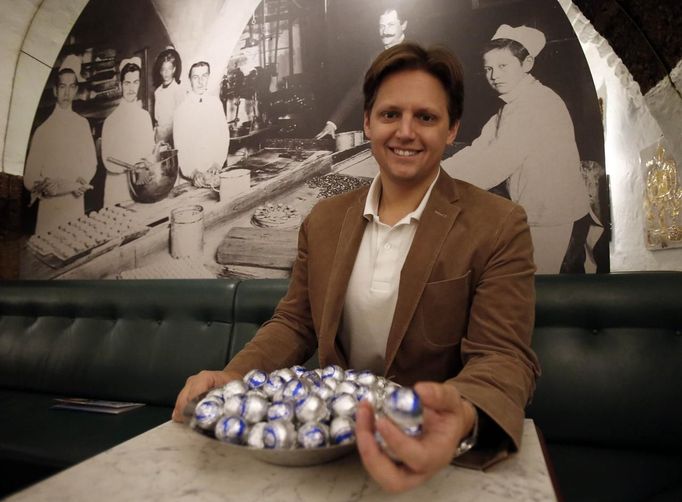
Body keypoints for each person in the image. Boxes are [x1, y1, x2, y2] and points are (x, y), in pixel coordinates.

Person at [174, 42, 539, 492]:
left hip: (435, 460)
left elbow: (503, 356)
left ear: (451, 129)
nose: (405, 131)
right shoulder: (324, 219)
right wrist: (233, 376)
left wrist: (463, 413)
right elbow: (295, 322)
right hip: (330, 450)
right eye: (390, 115)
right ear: (367, 123)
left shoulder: (499, 224)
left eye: (426, 117)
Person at [442, 24, 591, 274]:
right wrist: (434, 172)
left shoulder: (536, 104)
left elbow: (495, 164)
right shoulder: (511, 105)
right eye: (488, 68)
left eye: (503, 66)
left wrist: (435, 181)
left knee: (535, 294)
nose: (494, 76)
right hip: (537, 212)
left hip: (553, 217)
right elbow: (479, 150)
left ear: (528, 64)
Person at [23, 55, 97, 234]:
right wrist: (43, 185)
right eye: (62, 87)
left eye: (72, 87)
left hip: (75, 202)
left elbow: (91, 162)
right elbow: (29, 178)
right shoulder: (43, 130)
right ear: (55, 90)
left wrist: (83, 179)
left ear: (76, 90)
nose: (66, 93)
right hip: (50, 208)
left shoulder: (82, 124)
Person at [315, 6, 409, 139]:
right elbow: (358, 90)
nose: (385, 31)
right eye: (381, 26)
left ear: (403, 25)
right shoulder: (375, 57)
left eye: (391, 25)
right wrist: (332, 123)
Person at [101, 57, 155, 207]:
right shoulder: (111, 121)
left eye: (135, 82)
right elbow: (108, 161)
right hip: (117, 189)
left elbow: (149, 152)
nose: (131, 88)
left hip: (140, 187)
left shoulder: (145, 117)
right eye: (127, 83)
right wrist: (134, 166)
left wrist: (146, 163)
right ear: (120, 85)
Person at [173, 61, 229, 182]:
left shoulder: (216, 104)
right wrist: (193, 172)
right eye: (195, 77)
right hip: (191, 177)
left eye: (204, 76)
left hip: (214, 173)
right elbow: (180, 147)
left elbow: (223, 138)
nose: (200, 81)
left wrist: (217, 163)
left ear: (208, 77)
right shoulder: (181, 110)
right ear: (190, 80)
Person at [153, 47, 184, 144]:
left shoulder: (178, 90)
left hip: (174, 137)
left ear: (174, 69)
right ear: (160, 71)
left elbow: (180, 120)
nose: (166, 73)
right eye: (163, 69)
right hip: (160, 137)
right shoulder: (157, 92)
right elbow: (157, 118)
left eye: (169, 69)